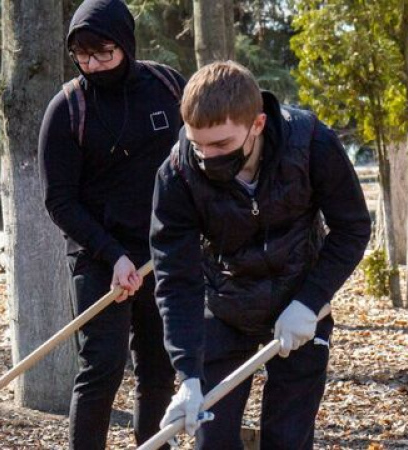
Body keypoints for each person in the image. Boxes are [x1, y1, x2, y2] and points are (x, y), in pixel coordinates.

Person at [149, 61, 371, 449]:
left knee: (287, 441)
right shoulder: (178, 174)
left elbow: (352, 227)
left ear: (258, 125)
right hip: (223, 307)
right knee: (212, 443)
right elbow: (175, 278)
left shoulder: (311, 144)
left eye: (222, 145)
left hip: (300, 308)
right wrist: (186, 375)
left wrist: (309, 301)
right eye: (197, 143)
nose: (207, 157)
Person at [38, 0, 186, 448]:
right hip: (98, 253)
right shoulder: (67, 110)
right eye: (82, 56)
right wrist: (113, 255)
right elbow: (59, 200)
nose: (93, 65)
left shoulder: (166, 85)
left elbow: (194, 159)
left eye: (104, 53)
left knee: (158, 366)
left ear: (126, 44)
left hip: (161, 250)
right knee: (101, 365)